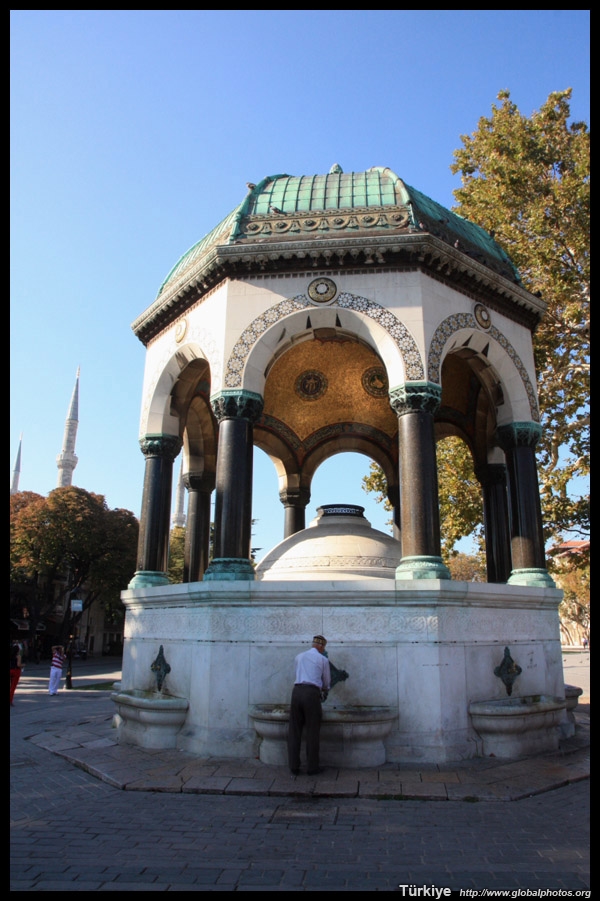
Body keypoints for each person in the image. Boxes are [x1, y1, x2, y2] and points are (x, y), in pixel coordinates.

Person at [287, 634, 331, 776]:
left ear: (313, 645)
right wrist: (324, 690)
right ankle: (312, 767)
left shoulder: (299, 656)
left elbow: (297, 674)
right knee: (312, 731)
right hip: (311, 694)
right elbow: (326, 682)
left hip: (296, 692)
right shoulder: (323, 659)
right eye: (323, 648)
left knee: (294, 730)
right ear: (321, 647)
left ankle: (294, 766)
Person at [10, 642, 23, 706]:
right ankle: (10, 700)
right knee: (13, 687)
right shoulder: (18, 656)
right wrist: (23, 665)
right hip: (16, 671)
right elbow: (18, 664)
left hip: (10, 669)